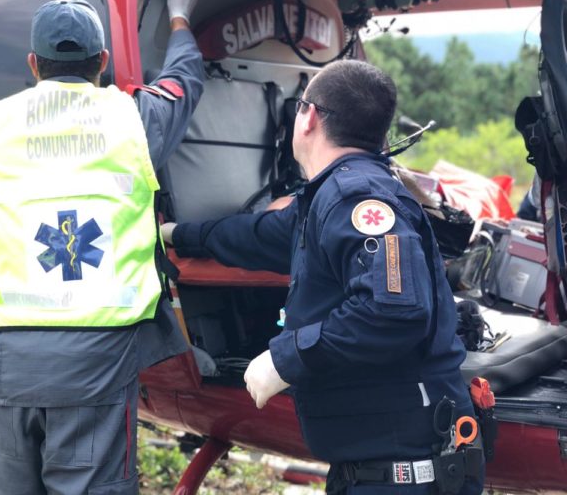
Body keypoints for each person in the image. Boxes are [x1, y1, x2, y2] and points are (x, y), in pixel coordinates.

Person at [163, 60, 484, 494]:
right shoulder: (328, 197)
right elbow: (261, 235)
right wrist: (179, 235)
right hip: (377, 464)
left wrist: (286, 359)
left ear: (308, 116)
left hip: (404, 472)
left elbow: (392, 311)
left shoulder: (357, 198)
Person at [0, 0, 203, 494]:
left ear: (32, 63)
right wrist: (179, 16)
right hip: (99, 357)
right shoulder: (136, 117)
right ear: (101, 62)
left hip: (12, 357)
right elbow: (186, 81)